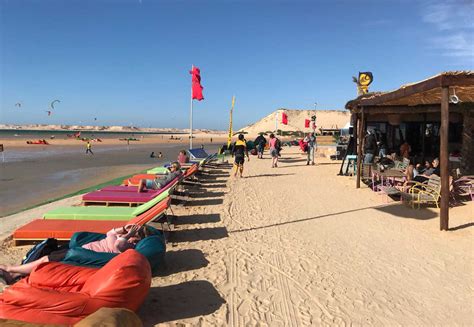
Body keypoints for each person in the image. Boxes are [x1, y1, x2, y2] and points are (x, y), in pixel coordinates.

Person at [0, 224, 148, 284]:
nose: (131, 234)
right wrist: (123, 229)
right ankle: (17, 272)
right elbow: (109, 233)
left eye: (136, 234)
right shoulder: (123, 236)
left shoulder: (129, 246)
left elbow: (118, 245)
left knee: (46, 259)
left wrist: (129, 236)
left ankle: (11, 270)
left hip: (81, 255)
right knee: (47, 253)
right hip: (81, 249)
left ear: (138, 238)